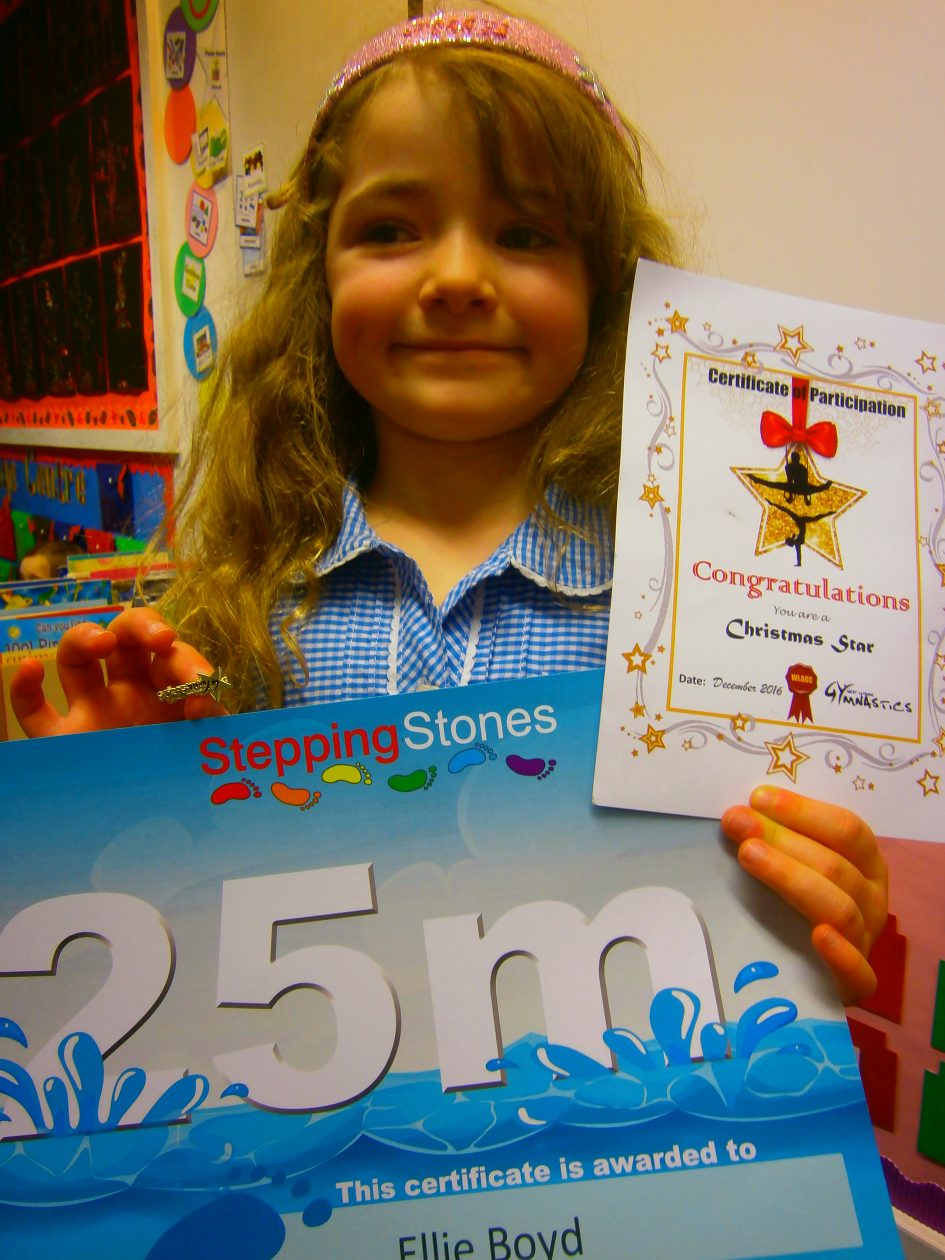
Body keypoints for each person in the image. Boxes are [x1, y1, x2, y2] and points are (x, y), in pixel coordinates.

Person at [8, 9, 886, 1005]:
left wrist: (821, 893)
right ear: (318, 273)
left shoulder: (699, 610)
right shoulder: (246, 606)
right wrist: (119, 803)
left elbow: (764, 908)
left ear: (603, 286)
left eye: (524, 234)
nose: (459, 278)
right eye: (390, 230)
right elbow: (198, 937)